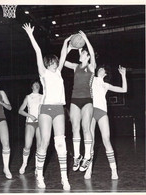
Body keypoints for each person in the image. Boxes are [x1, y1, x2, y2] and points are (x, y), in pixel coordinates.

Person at [22, 23, 71, 190]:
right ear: (48, 63)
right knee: (44, 142)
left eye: (57, 62)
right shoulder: (43, 72)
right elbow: (38, 51)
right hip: (45, 110)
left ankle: (64, 178)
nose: (56, 63)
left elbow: (64, 55)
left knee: (61, 143)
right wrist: (30, 35)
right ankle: (39, 174)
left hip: (58, 109)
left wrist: (66, 43)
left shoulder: (58, 72)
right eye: (53, 62)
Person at [84, 65, 127, 180]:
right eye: (99, 68)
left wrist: (123, 75)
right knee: (90, 142)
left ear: (106, 73)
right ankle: (89, 169)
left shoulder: (105, 85)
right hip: (91, 112)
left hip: (102, 112)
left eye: (102, 69)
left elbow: (124, 90)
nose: (100, 69)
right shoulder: (91, 80)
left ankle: (113, 170)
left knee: (106, 140)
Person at [64, 31, 96, 172]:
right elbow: (62, 62)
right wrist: (68, 46)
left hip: (87, 100)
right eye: (81, 52)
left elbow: (93, 54)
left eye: (83, 53)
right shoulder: (75, 66)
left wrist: (86, 39)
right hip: (75, 99)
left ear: (87, 56)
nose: (81, 54)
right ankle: (77, 156)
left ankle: (87, 157)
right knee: (74, 128)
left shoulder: (91, 67)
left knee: (86, 128)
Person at [18, 80, 42, 175]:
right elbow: (20, 111)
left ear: (39, 87)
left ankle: (37, 167)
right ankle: (24, 164)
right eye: (34, 84)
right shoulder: (28, 97)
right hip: (30, 123)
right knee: (27, 145)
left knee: (39, 147)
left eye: (37, 84)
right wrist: (30, 116)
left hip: (40, 123)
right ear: (32, 87)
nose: (36, 85)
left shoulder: (43, 97)